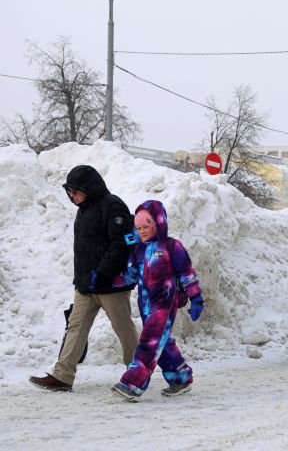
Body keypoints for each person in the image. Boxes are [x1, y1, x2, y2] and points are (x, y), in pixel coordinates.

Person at [29, 165, 138, 392]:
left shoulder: (113, 206)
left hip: (111, 285)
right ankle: (62, 376)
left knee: (123, 327)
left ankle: (137, 372)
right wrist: (83, 278)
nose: (72, 195)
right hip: (86, 284)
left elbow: (121, 245)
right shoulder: (84, 209)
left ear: (89, 187)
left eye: (75, 190)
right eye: (69, 191)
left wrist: (103, 273)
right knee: (76, 326)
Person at [111, 200, 204, 401]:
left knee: (149, 343)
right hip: (145, 305)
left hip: (164, 305)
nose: (142, 231)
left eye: (146, 226)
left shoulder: (172, 247)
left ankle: (133, 383)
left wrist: (196, 298)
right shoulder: (139, 251)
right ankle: (180, 377)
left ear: (158, 223)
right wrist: (106, 282)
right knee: (163, 344)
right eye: (139, 228)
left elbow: (187, 274)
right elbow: (130, 276)